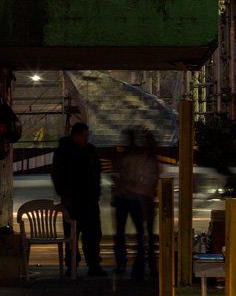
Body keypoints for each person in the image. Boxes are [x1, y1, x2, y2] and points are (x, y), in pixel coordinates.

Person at [52, 120, 106, 277]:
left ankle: (75, 265)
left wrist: (63, 193)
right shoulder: (88, 151)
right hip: (81, 200)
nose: (86, 138)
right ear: (76, 136)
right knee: (88, 234)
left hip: (77, 200)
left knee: (79, 235)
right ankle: (91, 264)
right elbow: (96, 173)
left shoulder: (64, 151)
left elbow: (57, 174)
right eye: (84, 135)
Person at [109, 128, 162, 280]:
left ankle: (123, 263)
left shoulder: (126, 157)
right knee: (144, 234)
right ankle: (148, 264)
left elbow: (119, 176)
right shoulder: (148, 158)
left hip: (126, 197)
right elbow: (150, 181)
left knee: (123, 232)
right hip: (142, 198)